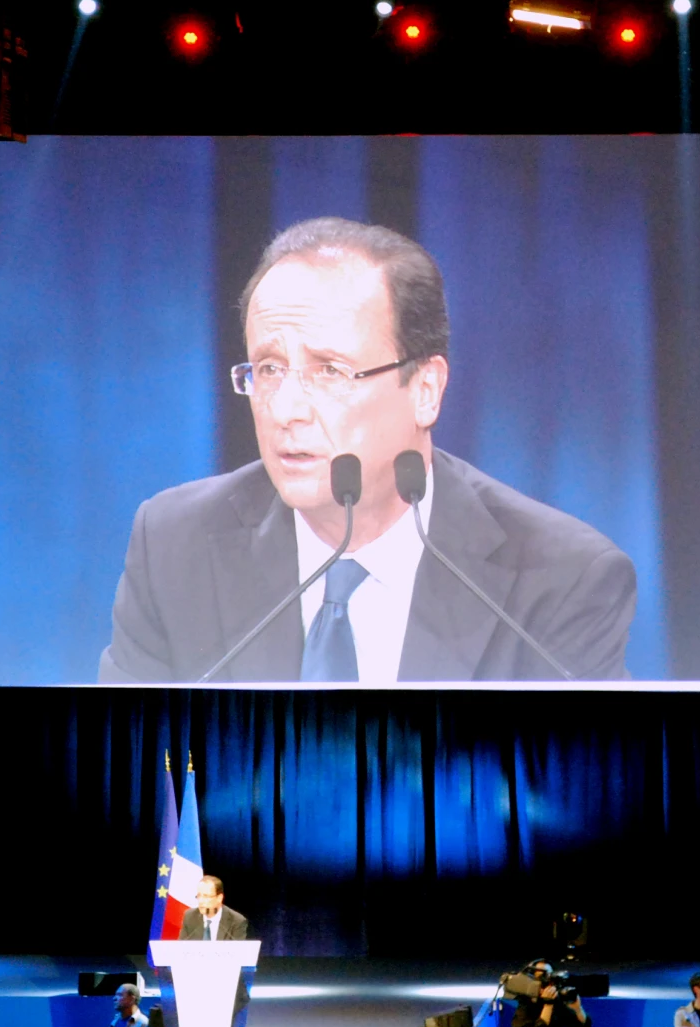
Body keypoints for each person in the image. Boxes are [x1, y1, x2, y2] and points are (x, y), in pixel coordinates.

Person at [99, 217, 636, 683]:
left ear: (425, 390)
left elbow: (571, 790)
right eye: (268, 369)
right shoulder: (175, 545)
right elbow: (136, 771)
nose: (287, 410)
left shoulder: (563, 579)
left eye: (329, 371)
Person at [179, 876, 250, 941]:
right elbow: (181, 949)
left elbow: (238, 953)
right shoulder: (189, 917)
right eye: (199, 896)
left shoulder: (236, 921)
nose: (201, 901)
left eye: (206, 896)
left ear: (219, 898)